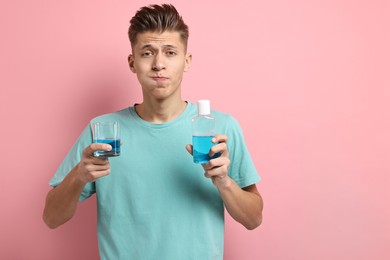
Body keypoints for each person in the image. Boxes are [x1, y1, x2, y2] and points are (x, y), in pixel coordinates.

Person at [43, 4, 263, 260]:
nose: (159, 64)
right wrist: (78, 176)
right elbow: (51, 218)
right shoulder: (102, 131)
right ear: (132, 62)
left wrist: (224, 182)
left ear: (187, 61)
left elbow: (253, 219)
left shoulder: (219, 129)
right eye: (147, 53)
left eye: (170, 52)